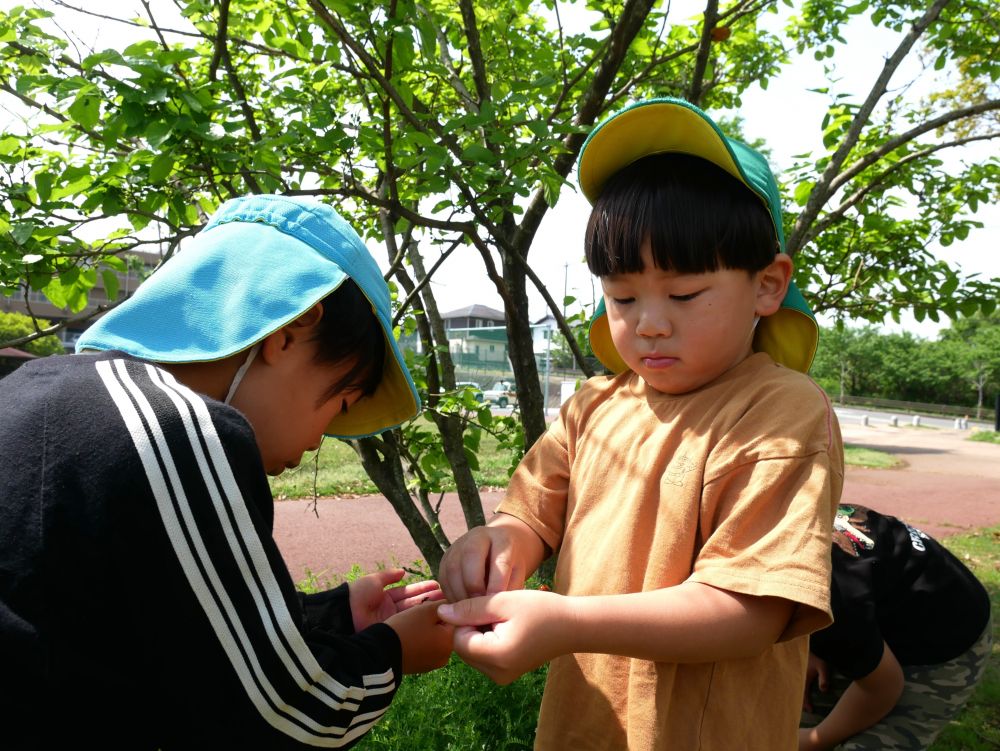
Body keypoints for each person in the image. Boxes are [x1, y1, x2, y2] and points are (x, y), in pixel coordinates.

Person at [436, 97, 845, 750]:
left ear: (768, 286)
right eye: (622, 296)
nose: (649, 320)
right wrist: (499, 544)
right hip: (582, 727)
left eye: (683, 293)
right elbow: (532, 513)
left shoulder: (780, 413)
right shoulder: (594, 405)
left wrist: (567, 622)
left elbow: (748, 611)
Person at [0, 195, 453, 749]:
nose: (319, 440)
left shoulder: (35, 390)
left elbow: (165, 624)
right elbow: (286, 717)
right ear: (289, 331)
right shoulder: (175, 427)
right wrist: (393, 652)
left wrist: (329, 615)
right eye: (340, 402)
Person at [799, 503, 992, 750]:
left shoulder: (826, 595)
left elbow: (883, 688)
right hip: (874, 609)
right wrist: (813, 643)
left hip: (946, 640)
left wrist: (816, 739)